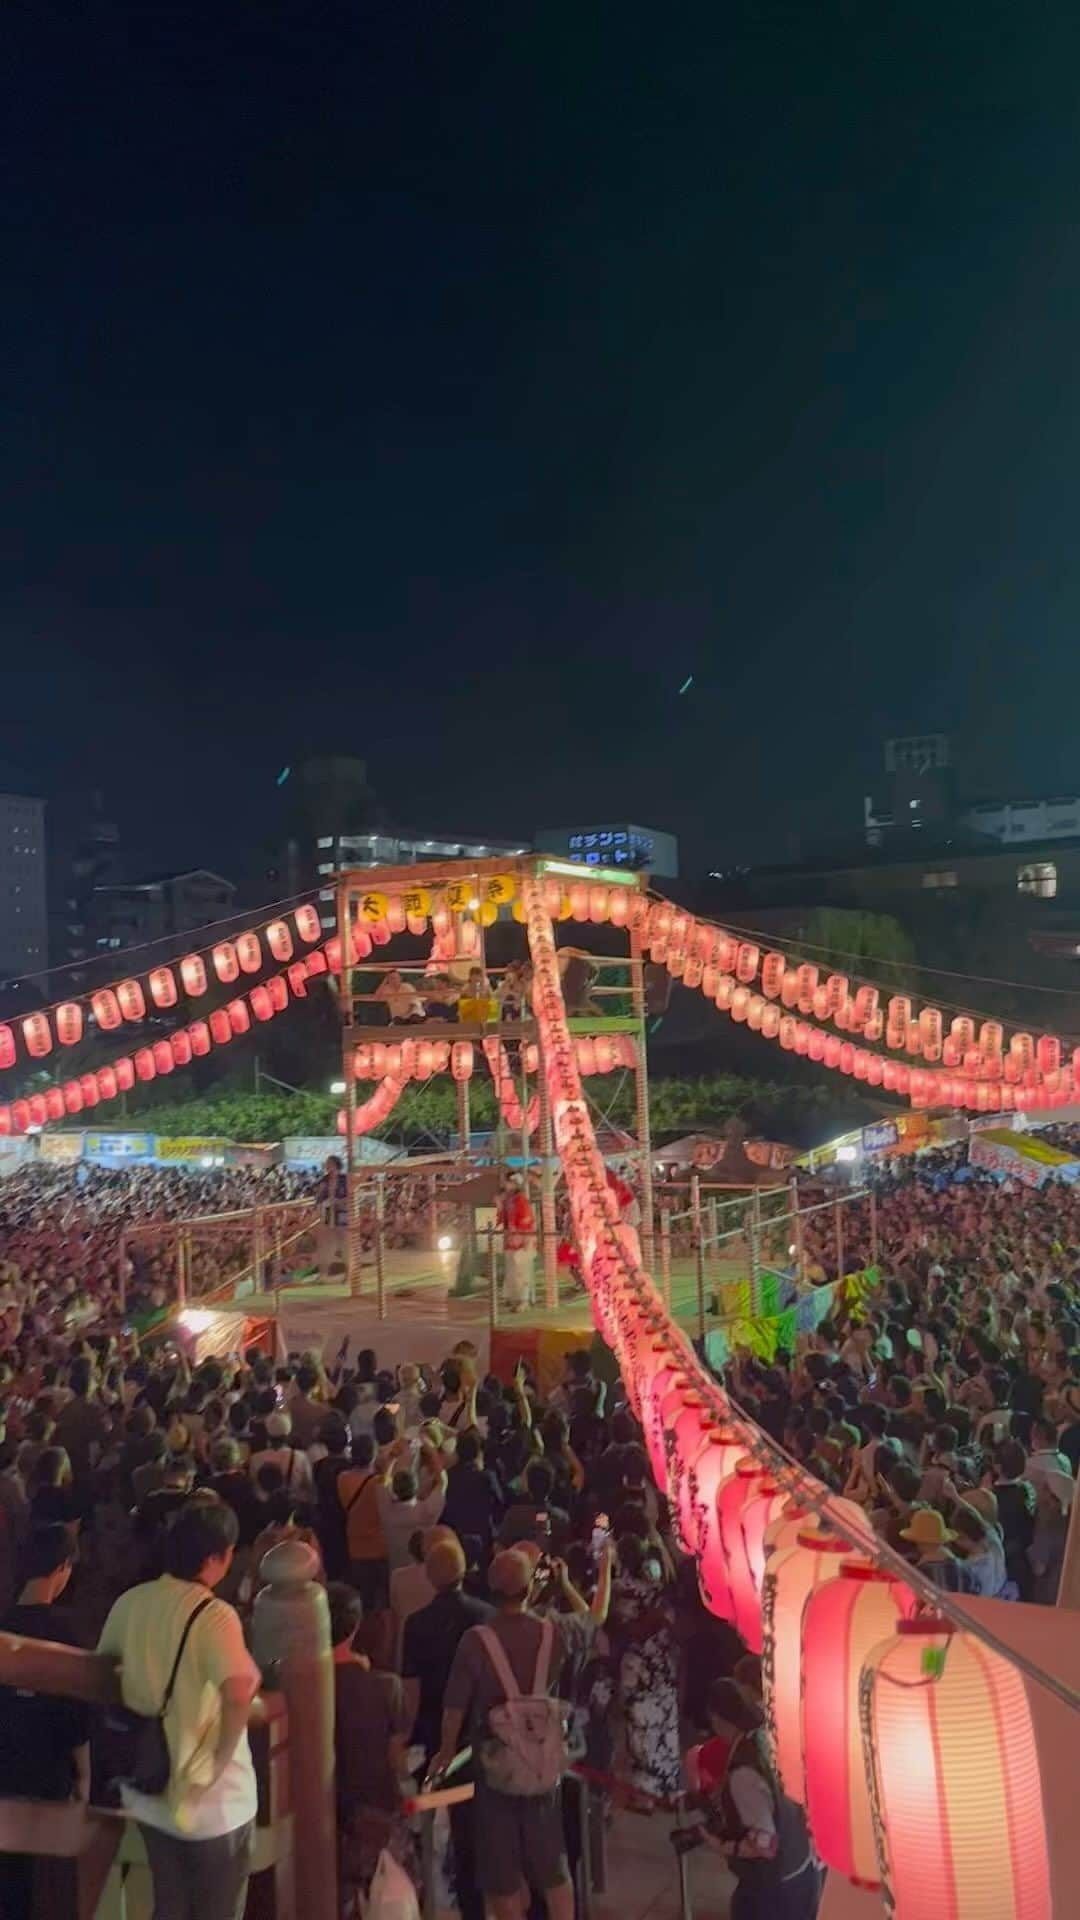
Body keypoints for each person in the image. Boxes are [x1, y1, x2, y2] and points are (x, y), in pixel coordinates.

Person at [97, 1500, 261, 1920]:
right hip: (210, 1803)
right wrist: (216, 1764)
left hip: (150, 1787)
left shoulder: (130, 1603)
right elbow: (239, 1692)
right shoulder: (215, 1616)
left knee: (168, 1905)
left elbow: (101, 1672)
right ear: (214, 1558)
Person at [433, 1544, 613, 1920]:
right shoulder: (553, 1631)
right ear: (530, 1588)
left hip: (495, 1764)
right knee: (553, 1869)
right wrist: (585, 1576)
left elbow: (455, 1705)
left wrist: (446, 1751)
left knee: (501, 1877)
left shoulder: (476, 1640)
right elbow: (595, 1617)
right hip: (543, 1764)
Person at [0, 1525, 91, 1920]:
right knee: (49, 1889)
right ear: (63, 1567)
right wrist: (85, 1779)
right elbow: (75, 1718)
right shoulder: (64, 1632)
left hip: (4, 1771)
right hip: (49, 1776)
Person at [402, 1537, 494, 1920]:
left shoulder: (417, 1623)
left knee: (443, 1824)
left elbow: (411, 1688)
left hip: (434, 1731)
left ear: (428, 1574)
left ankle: (446, 1898)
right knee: (482, 1820)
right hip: (481, 1731)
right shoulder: (486, 1615)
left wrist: (408, 1733)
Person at [688, 1679, 817, 1920]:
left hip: (772, 1891)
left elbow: (764, 1844)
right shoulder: (767, 1737)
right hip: (801, 1868)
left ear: (716, 1718)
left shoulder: (743, 1773)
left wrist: (718, 1844)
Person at [328, 1582, 414, 1907]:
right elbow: (397, 1758)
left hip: (322, 1816)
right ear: (356, 1626)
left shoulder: (299, 1687)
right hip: (375, 1812)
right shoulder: (385, 1686)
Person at [610, 1531, 681, 1801]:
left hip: (636, 1663)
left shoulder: (619, 1588)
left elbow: (622, 1628)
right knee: (662, 1723)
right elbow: (669, 1622)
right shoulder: (658, 1589)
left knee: (640, 1725)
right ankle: (666, 1787)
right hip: (660, 1661)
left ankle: (644, 1792)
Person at [337, 1433, 390, 1611]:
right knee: (382, 1601)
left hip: (355, 1545)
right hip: (379, 1545)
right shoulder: (378, 1482)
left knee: (364, 1600)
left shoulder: (342, 1478)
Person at [499, 1173, 536, 1313]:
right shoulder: (509, 1200)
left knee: (522, 1272)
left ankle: (524, 1300)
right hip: (511, 1240)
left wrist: (524, 1239)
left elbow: (526, 1222)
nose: (505, 1186)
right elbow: (503, 1221)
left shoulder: (521, 1200)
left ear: (514, 1184)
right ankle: (515, 1298)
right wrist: (499, 1205)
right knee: (512, 1272)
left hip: (522, 1241)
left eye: (508, 1183)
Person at [315, 1154, 350, 1281]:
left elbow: (351, 1195)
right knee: (326, 1243)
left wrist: (340, 1201)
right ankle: (323, 1273)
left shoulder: (345, 1179)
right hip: (328, 1211)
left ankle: (348, 1273)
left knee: (343, 1243)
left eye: (329, 1164)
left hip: (342, 1211)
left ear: (336, 1165)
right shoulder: (324, 1180)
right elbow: (318, 1198)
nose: (327, 1166)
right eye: (326, 1164)